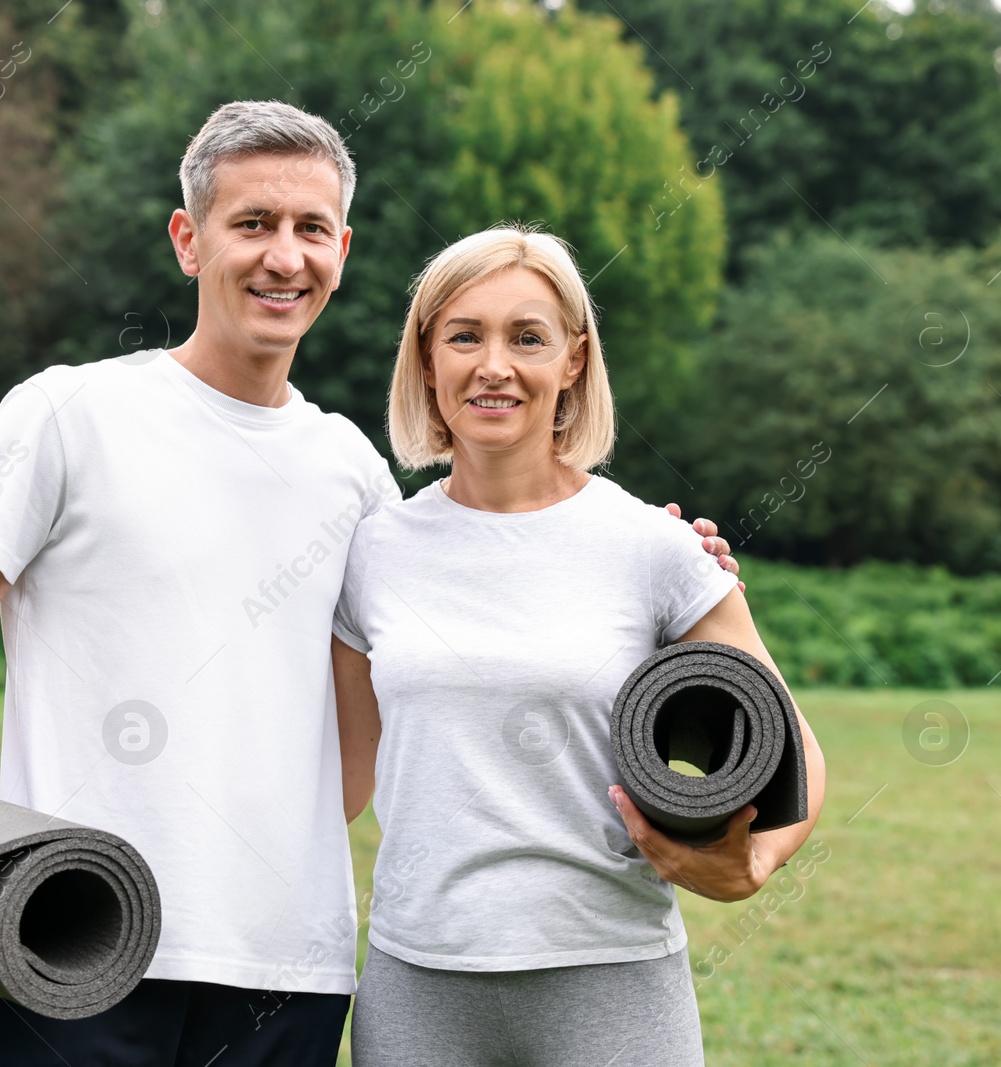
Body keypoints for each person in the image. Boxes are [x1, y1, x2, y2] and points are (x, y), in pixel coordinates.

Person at [0, 102, 741, 1066]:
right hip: (74, 939)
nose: (283, 257)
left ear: (342, 248)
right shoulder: (66, 414)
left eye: (310, 229)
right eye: (252, 224)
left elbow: (387, 704)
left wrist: (651, 551)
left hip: (292, 977)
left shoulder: (356, 476)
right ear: (188, 240)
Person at [334, 226, 826, 1067]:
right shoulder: (371, 550)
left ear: (573, 360)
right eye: (464, 335)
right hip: (420, 983)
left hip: (612, 978)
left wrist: (754, 863)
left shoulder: (654, 546)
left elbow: (796, 750)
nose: (494, 364)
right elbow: (336, 777)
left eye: (527, 337)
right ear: (426, 360)